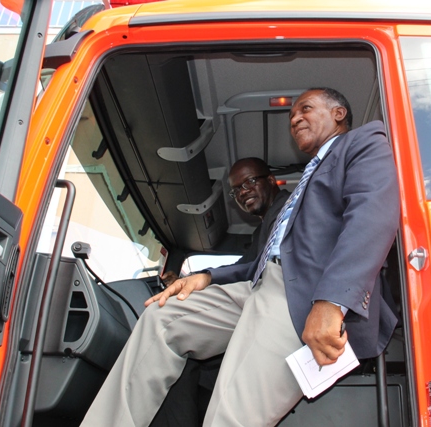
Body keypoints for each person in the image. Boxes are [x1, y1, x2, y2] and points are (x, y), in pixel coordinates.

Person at [81, 87, 400, 427]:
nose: (295, 119)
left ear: (338, 114)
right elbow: (264, 259)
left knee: (230, 414)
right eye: (291, 116)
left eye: (305, 108)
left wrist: (332, 302)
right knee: (163, 318)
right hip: (259, 284)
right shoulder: (303, 187)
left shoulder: (365, 142)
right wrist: (207, 277)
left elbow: (372, 216)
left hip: (307, 292)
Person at [151, 157, 290, 426]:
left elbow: (253, 268)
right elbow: (243, 265)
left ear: (271, 180)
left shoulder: (286, 211)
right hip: (258, 313)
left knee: (182, 354)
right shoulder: (264, 227)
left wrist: (203, 278)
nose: (242, 192)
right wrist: (190, 278)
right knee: (189, 356)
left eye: (250, 181)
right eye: (236, 189)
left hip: (278, 316)